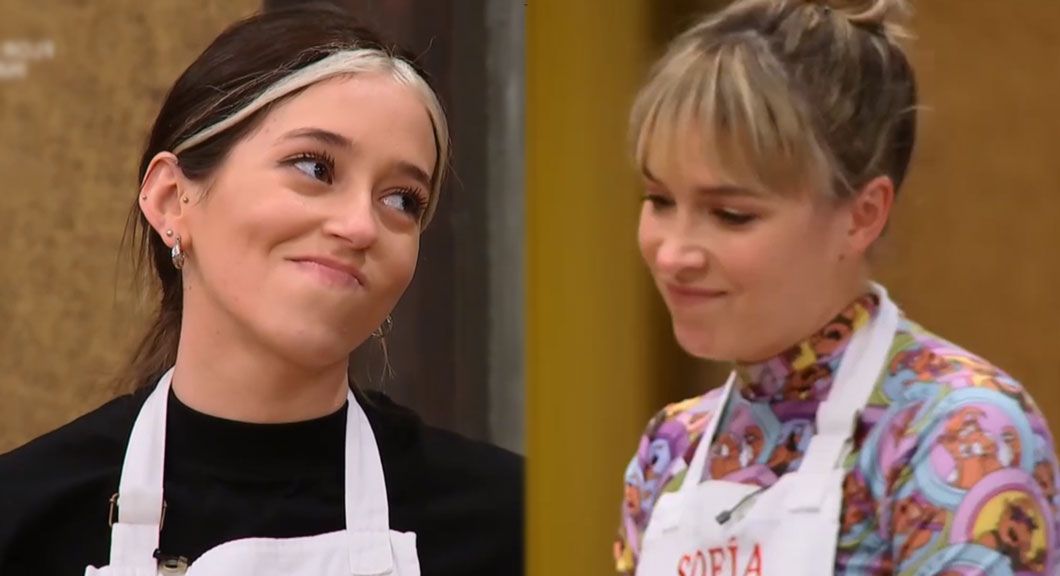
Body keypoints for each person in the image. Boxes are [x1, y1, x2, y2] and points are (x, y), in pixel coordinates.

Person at [0, 7, 522, 575]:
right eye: (315, 168)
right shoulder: (25, 517)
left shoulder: (511, 526)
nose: (361, 226)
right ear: (172, 199)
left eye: (402, 200)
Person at [613, 0, 1059, 574]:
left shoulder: (959, 434)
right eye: (659, 201)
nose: (673, 254)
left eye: (730, 214)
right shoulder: (672, 446)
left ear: (862, 215)